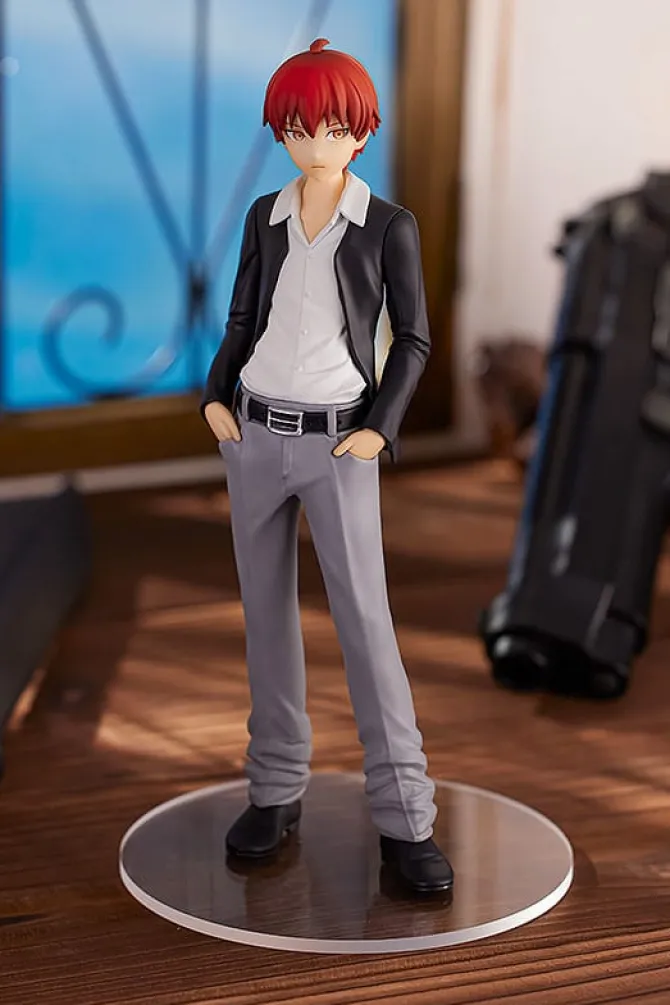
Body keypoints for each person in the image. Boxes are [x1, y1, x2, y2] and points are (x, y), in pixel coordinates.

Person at [201, 38, 453, 895]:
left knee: (366, 623)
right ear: (280, 131)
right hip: (253, 433)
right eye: (300, 129)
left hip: (340, 440)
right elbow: (242, 317)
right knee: (265, 618)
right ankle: (274, 788)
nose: (317, 144)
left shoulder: (387, 225)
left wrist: (379, 429)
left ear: (362, 131)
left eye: (335, 128)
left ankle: (406, 816)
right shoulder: (264, 215)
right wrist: (215, 397)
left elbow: (413, 339)